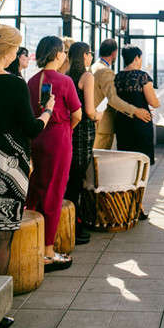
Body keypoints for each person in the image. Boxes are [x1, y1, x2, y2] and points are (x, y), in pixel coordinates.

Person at [0, 25, 54, 328]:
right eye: (16, 51)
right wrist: (48, 111)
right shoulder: (14, 84)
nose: (17, 55)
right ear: (6, 52)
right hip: (9, 166)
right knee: (3, 236)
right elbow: (31, 129)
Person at [26, 36, 82, 272]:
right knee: (54, 192)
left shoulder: (31, 80)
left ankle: (34, 242)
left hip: (37, 137)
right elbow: (77, 114)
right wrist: (66, 129)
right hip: (58, 138)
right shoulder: (64, 80)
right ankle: (48, 251)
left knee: (38, 188)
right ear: (58, 54)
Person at [65, 42, 102, 244]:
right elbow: (88, 110)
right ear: (84, 55)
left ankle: (68, 225)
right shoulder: (87, 76)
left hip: (68, 131)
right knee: (77, 182)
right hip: (83, 132)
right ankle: (74, 228)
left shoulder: (66, 75)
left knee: (69, 180)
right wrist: (98, 115)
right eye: (90, 53)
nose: (91, 56)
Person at [91, 39, 151, 150]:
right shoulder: (105, 71)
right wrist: (136, 111)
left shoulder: (93, 67)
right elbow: (113, 99)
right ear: (114, 53)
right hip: (103, 125)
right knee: (99, 159)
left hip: (94, 121)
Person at [114, 45, 159, 164]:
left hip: (122, 121)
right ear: (136, 58)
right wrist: (157, 102)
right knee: (141, 159)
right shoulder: (142, 76)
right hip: (140, 123)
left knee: (125, 159)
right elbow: (153, 102)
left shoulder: (117, 77)